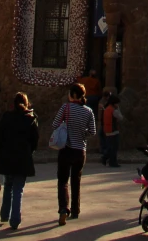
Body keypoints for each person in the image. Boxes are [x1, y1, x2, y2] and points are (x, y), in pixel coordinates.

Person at [0, 92, 39, 230]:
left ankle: (4, 214)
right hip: (23, 157)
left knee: (8, 185)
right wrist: (30, 151)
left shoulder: (7, 117)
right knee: (18, 189)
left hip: (7, 156)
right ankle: (15, 219)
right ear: (27, 103)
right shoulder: (31, 119)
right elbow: (34, 140)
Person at [52, 83, 96, 226]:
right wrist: (81, 133)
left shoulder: (66, 107)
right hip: (80, 150)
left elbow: (55, 124)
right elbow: (92, 131)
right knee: (76, 181)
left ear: (74, 95)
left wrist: (66, 126)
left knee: (63, 180)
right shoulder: (89, 111)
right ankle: (76, 210)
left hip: (66, 149)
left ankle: (64, 209)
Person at [102, 94, 123, 167]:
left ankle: (106, 158)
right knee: (114, 148)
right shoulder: (114, 110)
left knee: (109, 147)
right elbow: (120, 118)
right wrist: (118, 108)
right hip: (114, 131)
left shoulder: (107, 109)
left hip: (107, 131)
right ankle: (113, 162)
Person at [97, 89, 111, 157]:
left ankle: (104, 149)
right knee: (103, 135)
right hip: (104, 121)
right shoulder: (103, 102)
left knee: (103, 135)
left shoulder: (104, 102)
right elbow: (101, 111)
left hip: (104, 121)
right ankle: (103, 149)